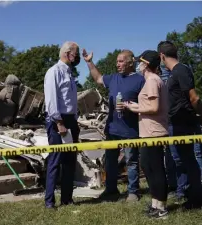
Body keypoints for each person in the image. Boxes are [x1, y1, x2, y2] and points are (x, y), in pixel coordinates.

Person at [82, 49, 145, 202]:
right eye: (117, 61)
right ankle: (111, 190)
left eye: (121, 61)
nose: (118, 64)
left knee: (131, 161)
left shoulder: (140, 80)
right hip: (112, 129)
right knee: (110, 161)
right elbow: (97, 78)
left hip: (130, 129)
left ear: (131, 63)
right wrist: (89, 62)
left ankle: (133, 192)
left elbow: (146, 104)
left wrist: (131, 106)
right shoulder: (113, 78)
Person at [157, 40, 202, 209]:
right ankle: (189, 194)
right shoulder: (173, 73)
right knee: (182, 161)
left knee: (189, 160)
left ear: (162, 56)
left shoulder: (181, 70)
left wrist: (200, 116)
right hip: (176, 123)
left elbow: (194, 98)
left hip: (185, 123)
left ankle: (197, 198)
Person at [124, 50, 169, 218]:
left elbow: (154, 108)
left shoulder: (151, 80)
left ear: (146, 65)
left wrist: (136, 108)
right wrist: (133, 106)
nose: (138, 65)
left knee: (155, 169)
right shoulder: (153, 80)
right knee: (148, 166)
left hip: (154, 132)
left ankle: (161, 208)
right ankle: (155, 204)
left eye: (140, 62)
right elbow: (149, 107)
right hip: (149, 132)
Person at [43, 41, 81, 209]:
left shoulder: (70, 73)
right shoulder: (54, 72)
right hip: (58, 120)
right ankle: (49, 201)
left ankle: (67, 198)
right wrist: (59, 122)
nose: (77, 56)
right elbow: (51, 100)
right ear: (68, 53)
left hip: (71, 120)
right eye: (76, 53)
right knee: (55, 161)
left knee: (70, 161)